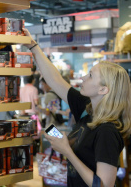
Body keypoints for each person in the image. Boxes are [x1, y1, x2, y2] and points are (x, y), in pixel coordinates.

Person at [23, 28, 131, 187]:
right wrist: (33, 46)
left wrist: (67, 151)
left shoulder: (107, 131)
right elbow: (55, 80)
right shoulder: (86, 108)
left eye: (91, 75)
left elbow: (103, 185)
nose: (83, 77)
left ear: (103, 89)